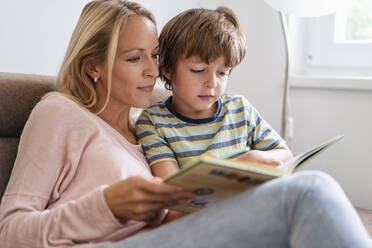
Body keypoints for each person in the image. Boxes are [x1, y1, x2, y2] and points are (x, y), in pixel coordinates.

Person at [0, 1, 370, 248]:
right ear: (91, 65)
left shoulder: (144, 130)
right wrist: (107, 205)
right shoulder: (60, 113)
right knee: (309, 191)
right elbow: (10, 232)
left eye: (156, 55)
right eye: (133, 58)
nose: (151, 71)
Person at [135, 7, 292, 180]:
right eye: (198, 70)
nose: (212, 83)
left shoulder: (240, 109)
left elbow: (285, 154)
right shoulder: (154, 122)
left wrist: (257, 158)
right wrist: (232, 171)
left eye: (222, 73)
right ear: (168, 70)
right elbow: (172, 188)